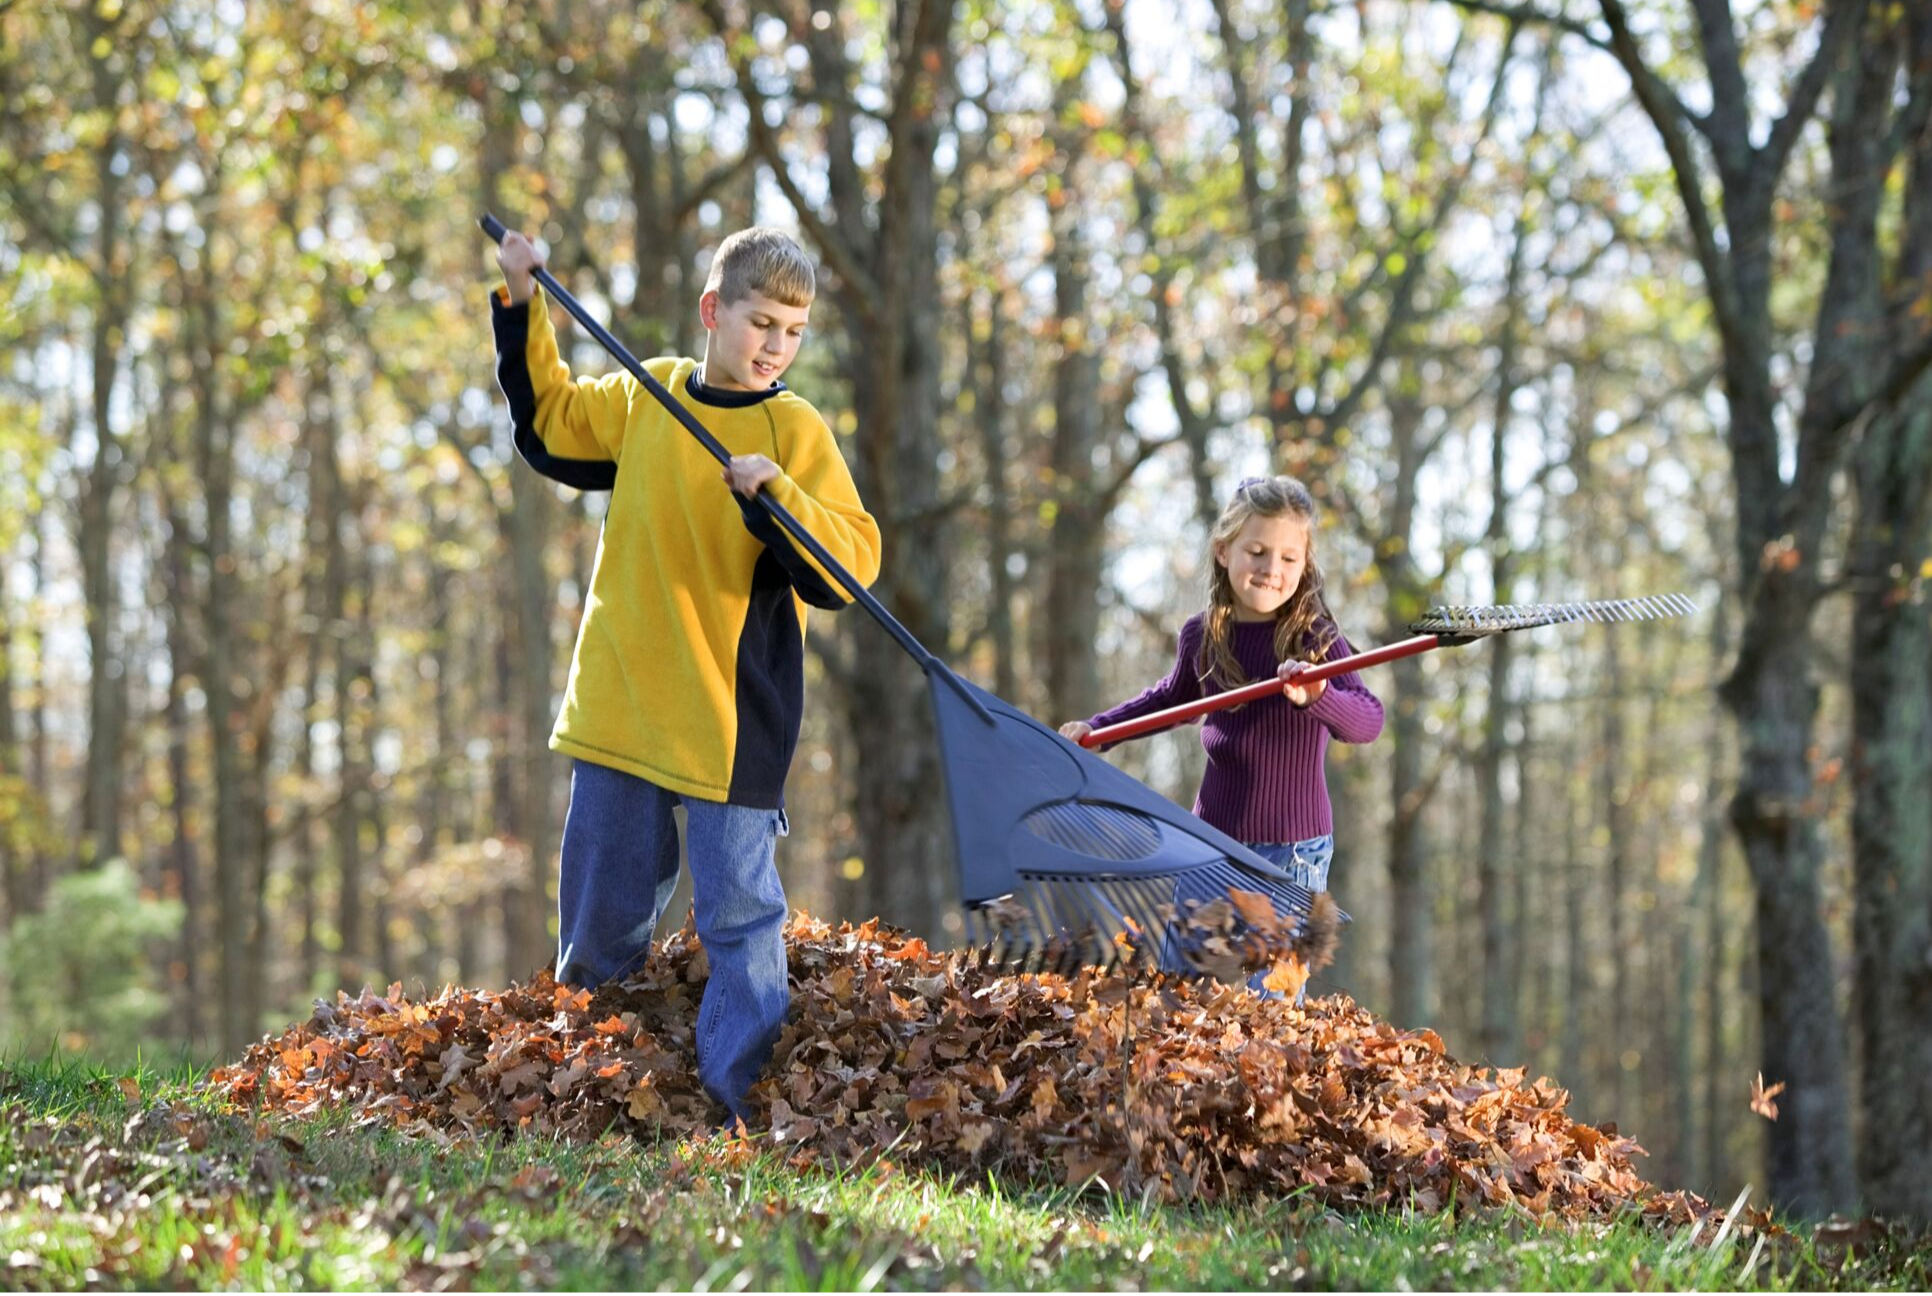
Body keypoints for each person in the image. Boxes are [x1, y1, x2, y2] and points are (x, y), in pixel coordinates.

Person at [490, 224, 882, 1119]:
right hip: (625, 704)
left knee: (741, 921)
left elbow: (850, 563)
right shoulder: (651, 397)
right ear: (714, 311)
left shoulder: (793, 427)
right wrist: (522, 298)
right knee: (602, 917)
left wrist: (776, 497)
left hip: (729, 723)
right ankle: (590, 1095)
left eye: (793, 331)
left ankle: (738, 1104)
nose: (775, 345)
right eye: (760, 323)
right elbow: (548, 423)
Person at [1059, 475, 1382, 995]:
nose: (1271, 570)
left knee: (1261, 1002)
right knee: (1182, 984)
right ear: (1223, 550)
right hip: (1209, 840)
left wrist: (1319, 695)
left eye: (1288, 558)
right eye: (1256, 551)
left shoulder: (1315, 636)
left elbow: (1368, 719)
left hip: (1289, 851)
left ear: (1305, 565)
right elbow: (1169, 701)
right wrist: (1101, 730)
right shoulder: (1204, 635)